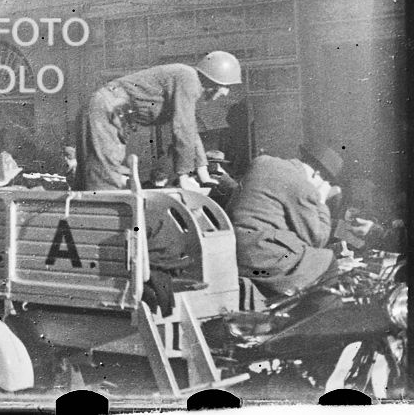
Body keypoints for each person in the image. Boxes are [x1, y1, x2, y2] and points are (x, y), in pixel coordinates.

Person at [78, 51, 242, 190]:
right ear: (214, 80)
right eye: (226, 87)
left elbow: (190, 131)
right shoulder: (189, 79)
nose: (226, 93)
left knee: (108, 170)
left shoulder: (188, 81)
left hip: (115, 110)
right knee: (106, 173)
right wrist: (183, 175)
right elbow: (182, 128)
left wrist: (203, 172)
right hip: (109, 106)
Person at [228, 142, 346, 298]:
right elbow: (318, 239)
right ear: (317, 174)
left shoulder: (262, 162)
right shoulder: (302, 184)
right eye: (327, 181)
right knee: (326, 262)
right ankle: (317, 320)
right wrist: (322, 201)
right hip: (261, 257)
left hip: (232, 248)